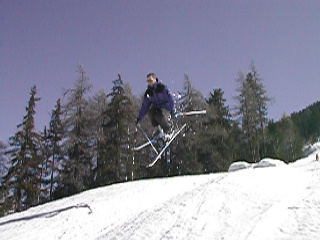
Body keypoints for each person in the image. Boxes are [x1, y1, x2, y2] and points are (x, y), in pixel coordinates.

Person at [136, 73, 176, 139]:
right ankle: (159, 128)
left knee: (159, 115)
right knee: (151, 112)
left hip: (165, 107)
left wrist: (172, 109)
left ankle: (169, 129)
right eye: (148, 81)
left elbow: (170, 98)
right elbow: (144, 106)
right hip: (157, 107)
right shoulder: (148, 92)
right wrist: (139, 117)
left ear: (155, 80)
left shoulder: (161, 88)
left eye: (150, 81)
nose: (149, 83)